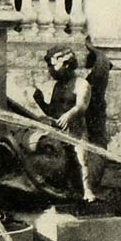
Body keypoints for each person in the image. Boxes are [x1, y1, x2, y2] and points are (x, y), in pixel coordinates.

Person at [31, 45, 97, 202]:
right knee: (58, 161)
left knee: (81, 159)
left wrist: (68, 115)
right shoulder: (58, 86)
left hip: (76, 131)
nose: (50, 70)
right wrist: (40, 101)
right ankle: (64, 191)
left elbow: (81, 106)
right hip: (59, 132)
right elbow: (53, 111)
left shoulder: (81, 84)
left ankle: (87, 191)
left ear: (67, 64)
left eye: (53, 66)